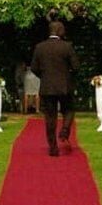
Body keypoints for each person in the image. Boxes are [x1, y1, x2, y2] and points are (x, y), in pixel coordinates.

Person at [30, 20, 79, 156]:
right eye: (62, 29)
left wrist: (44, 76)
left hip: (47, 87)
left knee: (50, 117)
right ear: (58, 30)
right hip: (64, 86)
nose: (64, 31)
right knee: (69, 110)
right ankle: (65, 130)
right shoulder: (67, 47)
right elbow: (76, 67)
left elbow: (34, 68)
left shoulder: (40, 47)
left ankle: (53, 148)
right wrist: (68, 76)